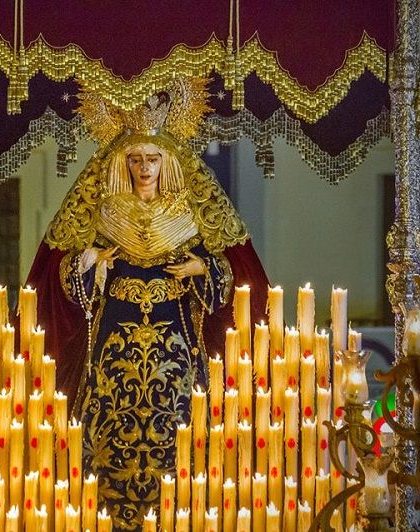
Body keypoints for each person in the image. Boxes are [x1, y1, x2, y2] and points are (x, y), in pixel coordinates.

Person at [23, 80, 269, 528]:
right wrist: (89, 263)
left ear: (167, 161)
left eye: (152, 159)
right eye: (135, 159)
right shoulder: (104, 213)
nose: (144, 168)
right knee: (105, 433)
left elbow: (231, 281)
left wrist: (202, 269)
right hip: (111, 350)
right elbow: (66, 286)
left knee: (181, 430)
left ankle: (180, 514)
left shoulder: (188, 215)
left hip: (177, 349)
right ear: (123, 163)